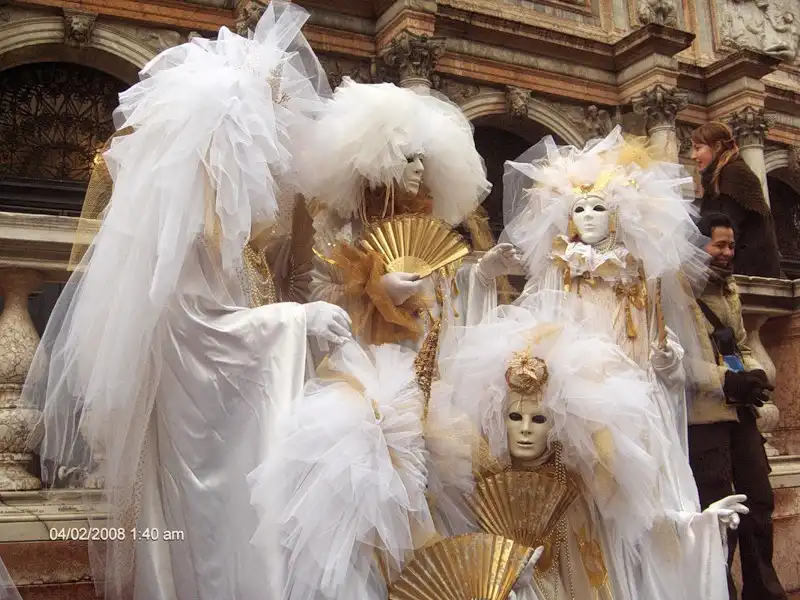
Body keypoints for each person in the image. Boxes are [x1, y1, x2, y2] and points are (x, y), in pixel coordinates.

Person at [21, 4, 351, 600]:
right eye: (259, 143)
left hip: (219, 419)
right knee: (207, 536)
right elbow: (195, 331)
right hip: (195, 427)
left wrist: (296, 316)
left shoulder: (224, 231)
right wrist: (295, 322)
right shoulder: (183, 232)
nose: (271, 162)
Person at [433, 297, 749, 600]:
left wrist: (702, 526)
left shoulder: (582, 479)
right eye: (515, 417)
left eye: (539, 418)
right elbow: (462, 565)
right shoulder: (486, 483)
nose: (525, 429)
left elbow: (643, 532)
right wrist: (505, 579)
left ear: (557, 423)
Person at [687, 212, 786, 600]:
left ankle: (764, 591)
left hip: (740, 412)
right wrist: (726, 379)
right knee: (718, 510)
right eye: (720, 245)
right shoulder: (678, 291)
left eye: (731, 245)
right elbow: (674, 360)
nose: (728, 252)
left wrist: (753, 371)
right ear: (699, 245)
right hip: (703, 420)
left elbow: (741, 345)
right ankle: (719, 591)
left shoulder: (728, 288)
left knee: (758, 500)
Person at [690, 121, 781, 278]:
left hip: (750, 271)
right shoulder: (720, 176)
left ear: (717, 146)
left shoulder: (733, 173)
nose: (693, 156)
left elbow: (726, 225)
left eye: (698, 148)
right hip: (742, 266)